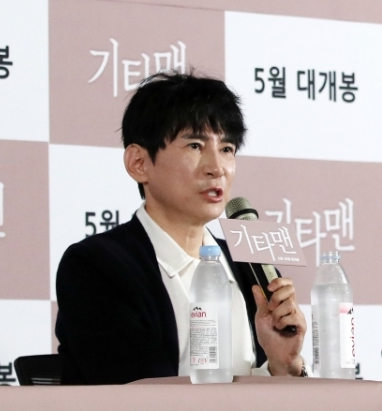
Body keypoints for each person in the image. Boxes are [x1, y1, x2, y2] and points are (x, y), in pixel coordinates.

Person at [55, 72, 307, 384]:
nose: (217, 167)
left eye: (227, 148)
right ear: (139, 163)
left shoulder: (250, 267)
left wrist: (282, 367)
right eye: (195, 145)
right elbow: (133, 396)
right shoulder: (96, 267)